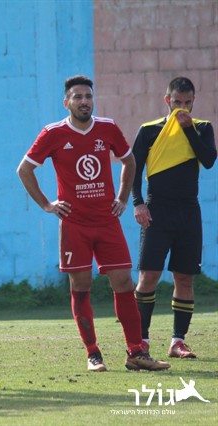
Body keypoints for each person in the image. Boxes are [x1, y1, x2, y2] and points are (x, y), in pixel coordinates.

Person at [17, 75, 171, 372]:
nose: (84, 101)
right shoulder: (53, 133)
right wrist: (47, 205)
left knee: (124, 282)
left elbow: (129, 161)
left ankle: (136, 352)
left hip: (107, 222)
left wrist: (123, 197)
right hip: (74, 225)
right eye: (78, 97)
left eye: (88, 96)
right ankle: (93, 353)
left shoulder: (107, 127)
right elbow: (24, 169)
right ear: (67, 102)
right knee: (81, 285)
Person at [132, 77, 216, 359]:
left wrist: (188, 128)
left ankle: (177, 341)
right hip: (156, 210)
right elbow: (133, 170)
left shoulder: (202, 128)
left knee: (185, 277)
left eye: (188, 102)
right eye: (177, 102)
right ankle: (141, 341)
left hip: (188, 211)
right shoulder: (148, 131)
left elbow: (208, 160)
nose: (182, 107)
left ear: (194, 101)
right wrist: (138, 203)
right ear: (167, 100)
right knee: (148, 276)